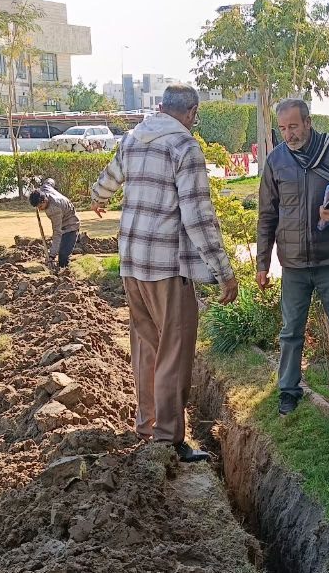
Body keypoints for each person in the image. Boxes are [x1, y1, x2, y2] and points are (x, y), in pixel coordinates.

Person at [90, 85, 238, 462]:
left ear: (160, 108)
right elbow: (198, 216)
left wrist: (98, 196)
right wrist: (223, 271)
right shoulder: (184, 147)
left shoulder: (134, 138)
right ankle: (169, 438)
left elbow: (109, 176)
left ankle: (147, 423)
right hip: (166, 267)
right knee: (174, 350)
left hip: (131, 262)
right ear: (190, 112)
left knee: (146, 345)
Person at [257, 98, 329, 417]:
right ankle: (288, 390)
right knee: (291, 330)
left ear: (308, 122)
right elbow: (266, 216)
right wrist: (262, 264)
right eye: (282, 129)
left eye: (293, 126)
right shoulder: (276, 160)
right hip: (293, 263)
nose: (288, 134)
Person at [29, 178, 80, 268]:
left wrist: (52, 255)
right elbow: (50, 180)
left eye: (40, 206)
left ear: (44, 200)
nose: (40, 209)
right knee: (61, 250)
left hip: (71, 225)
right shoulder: (44, 188)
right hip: (64, 216)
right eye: (37, 207)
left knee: (63, 257)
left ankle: (65, 274)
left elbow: (57, 233)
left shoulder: (54, 210)